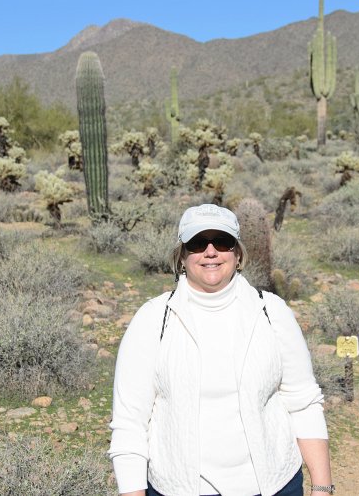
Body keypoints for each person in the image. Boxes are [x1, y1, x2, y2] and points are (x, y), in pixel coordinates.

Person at [109, 203, 334, 496]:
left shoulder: (271, 312)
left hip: (273, 486)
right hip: (179, 489)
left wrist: (322, 487)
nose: (211, 251)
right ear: (182, 256)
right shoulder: (153, 319)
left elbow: (303, 402)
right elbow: (130, 424)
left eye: (223, 241)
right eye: (198, 243)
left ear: (238, 253)